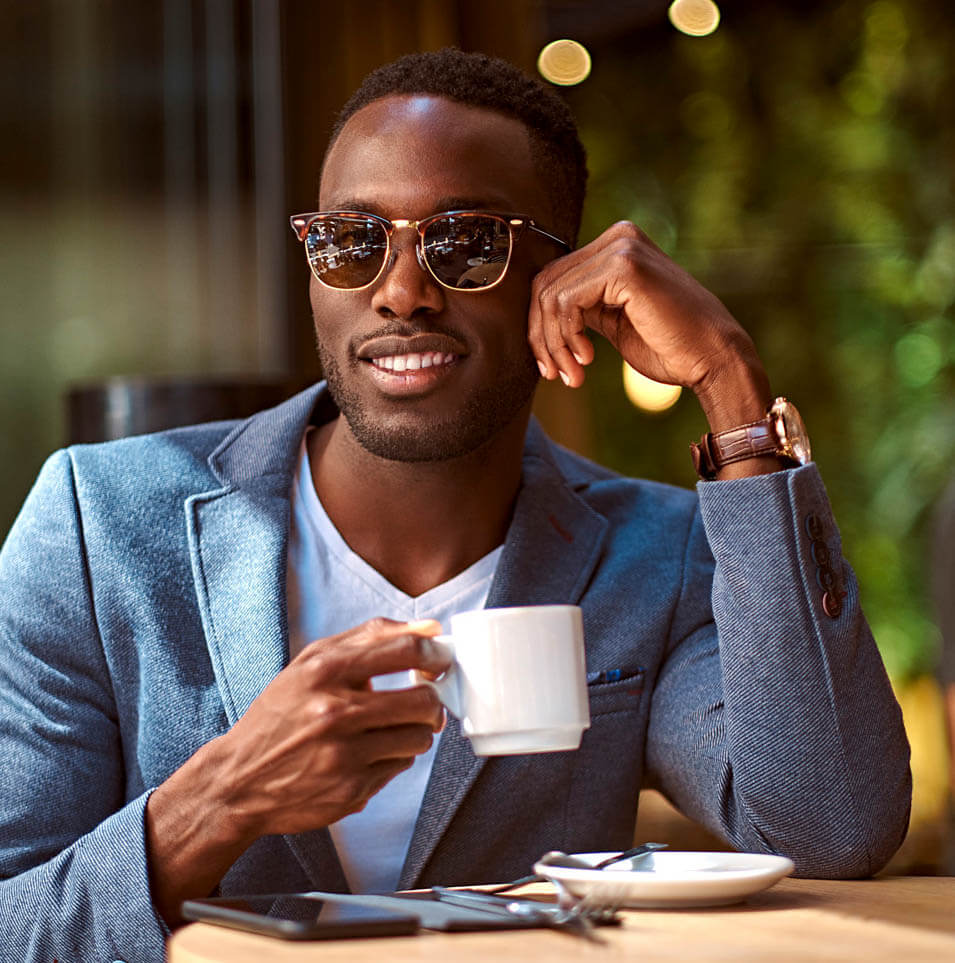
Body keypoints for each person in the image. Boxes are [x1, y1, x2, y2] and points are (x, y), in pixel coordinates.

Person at [0, 49, 910, 963]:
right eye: (351, 241)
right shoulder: (97, 525)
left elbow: (831, 826)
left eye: (467, 242)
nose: (399, 291)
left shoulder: (653, 559)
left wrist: (730, 381)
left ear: (568, 279)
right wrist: (219, 799)